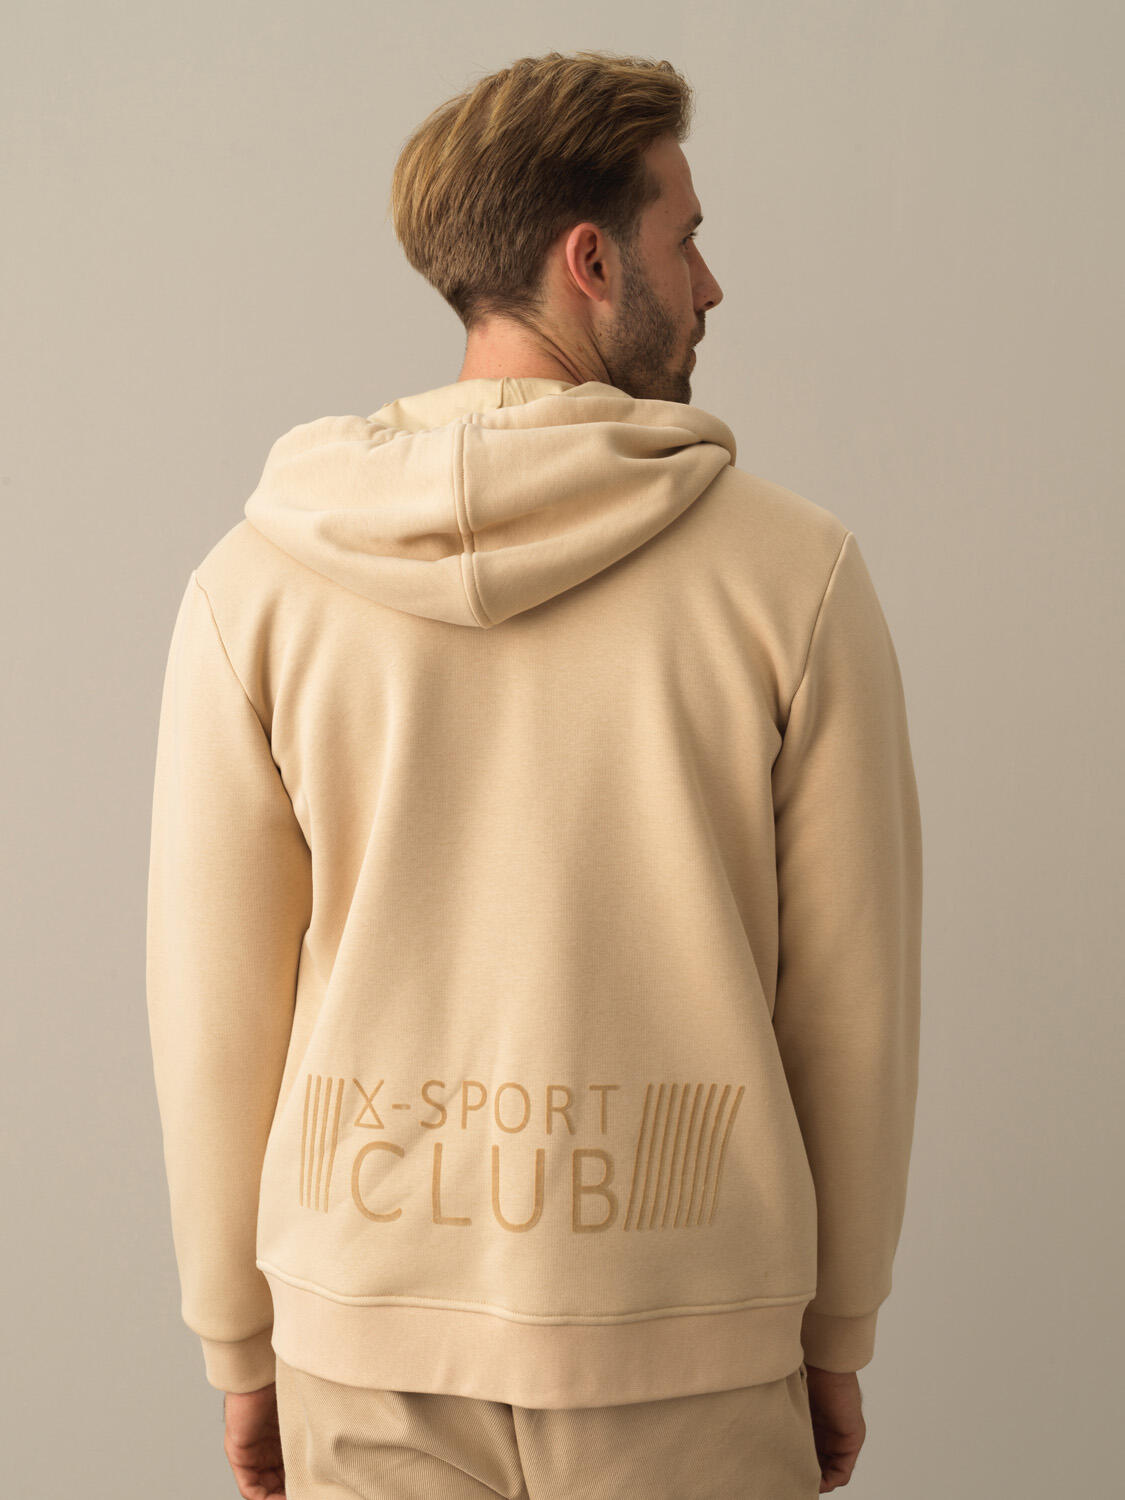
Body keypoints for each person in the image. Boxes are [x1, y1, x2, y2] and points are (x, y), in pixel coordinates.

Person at [146, 48, 922, 1500]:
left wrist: (237, 1343)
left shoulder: (256, 586)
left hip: (363, 1333)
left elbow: (215, 1010)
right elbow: (850, 1003)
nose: (710, 285)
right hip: (688, 1341)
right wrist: (837, 1329)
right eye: (685, 237)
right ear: (590, 260)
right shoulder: (793, 577)